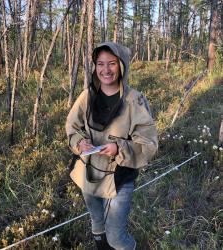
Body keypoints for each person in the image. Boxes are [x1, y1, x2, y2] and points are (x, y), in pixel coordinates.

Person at [66, 42, 158, 250]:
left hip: (120, 178)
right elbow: (72, 126)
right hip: (89, 173)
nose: (106, 70)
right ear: (95, 66)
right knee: (97, 224)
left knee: (116, 237)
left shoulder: (135, 100)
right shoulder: (87, 96)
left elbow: (148, 144)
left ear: (122, 66)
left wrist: (119, 149)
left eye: (112, 63)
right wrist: (80, 141)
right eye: (100, 64)